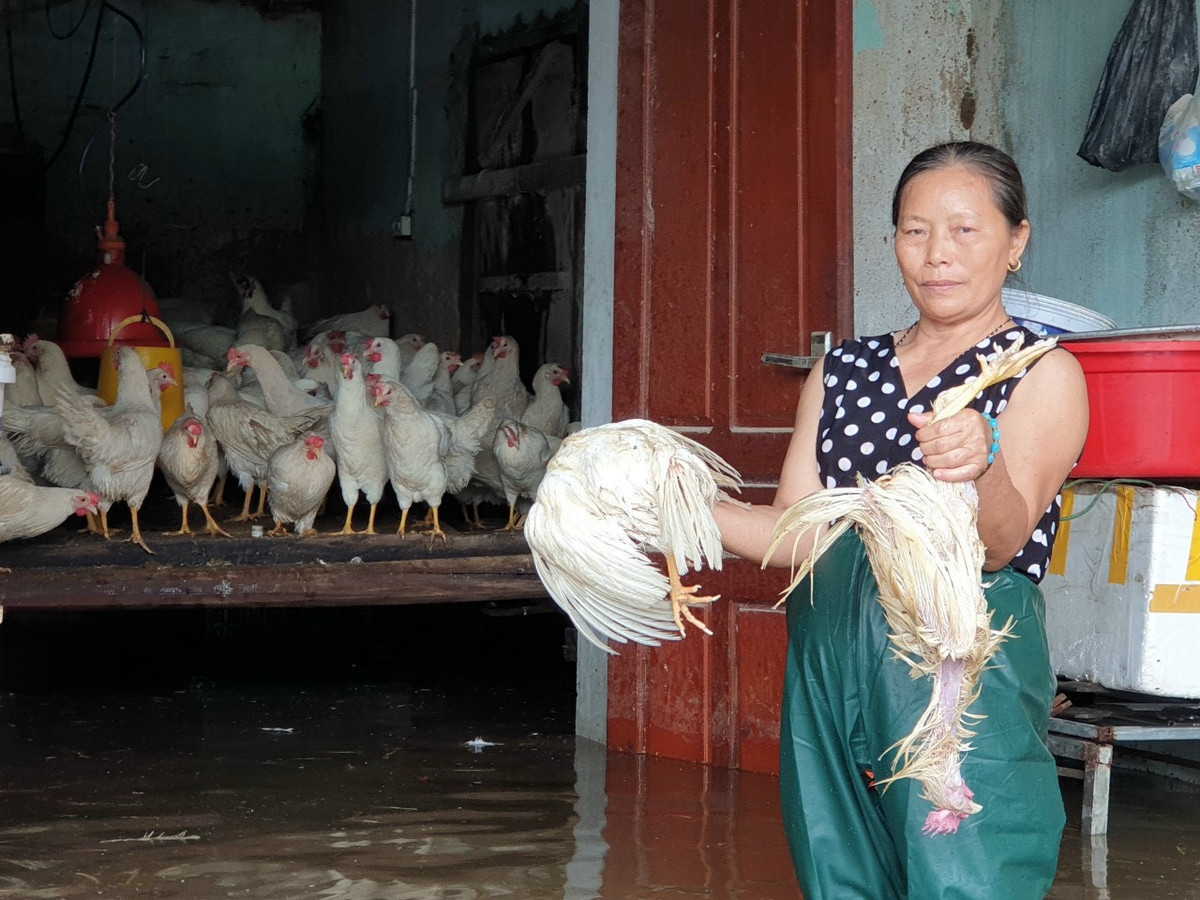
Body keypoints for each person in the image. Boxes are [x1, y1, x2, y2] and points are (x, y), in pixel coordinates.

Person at [714, 141, 1089, 899]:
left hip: (959, 667)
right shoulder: (843, 371)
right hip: (830, 657)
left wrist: (980, 464)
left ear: (1016, 241)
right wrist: (678, 508)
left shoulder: (1039, 371)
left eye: (964, 230)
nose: (936, 253)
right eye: (915, 231)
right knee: (839, 872)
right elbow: (800, 529)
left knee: (969, 874)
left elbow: (1002, 544)